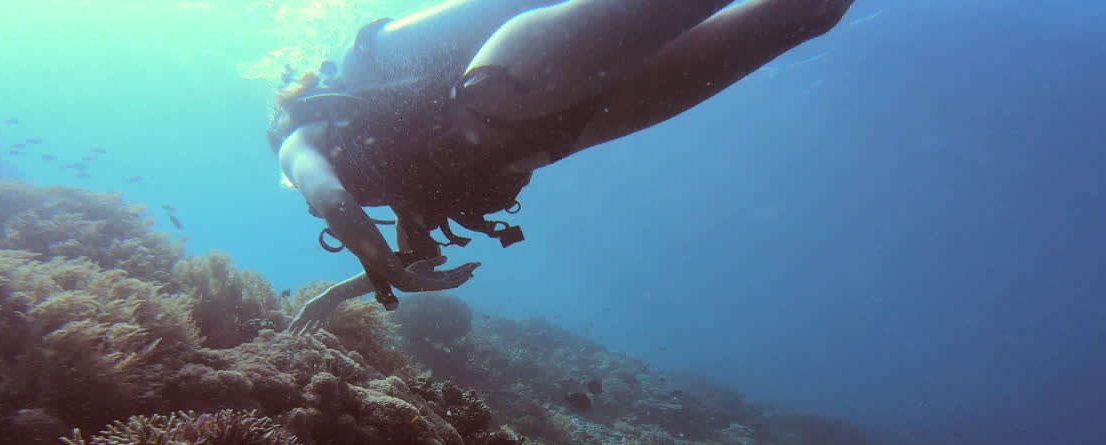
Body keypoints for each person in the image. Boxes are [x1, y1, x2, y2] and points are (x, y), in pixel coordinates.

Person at [274, 0, 859, 333]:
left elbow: (327, 195)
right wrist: (338, 293)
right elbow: (415, 254)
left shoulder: (298, 139)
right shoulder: (401, 190)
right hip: (568, 131)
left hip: (504, 85)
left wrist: (380, 266)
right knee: (805, 14)